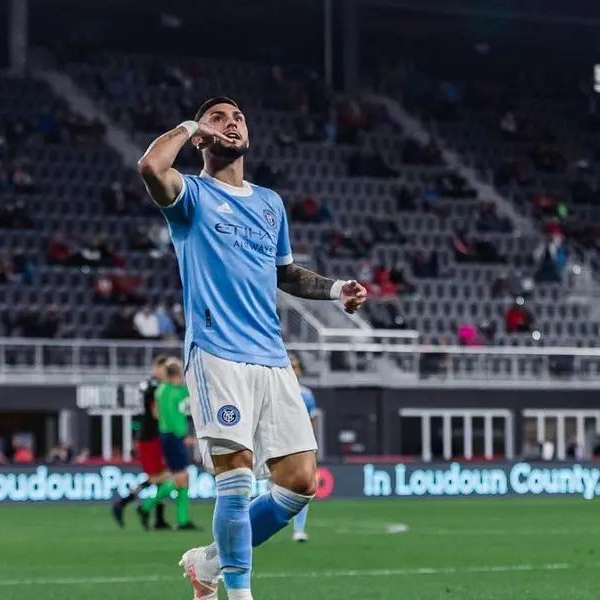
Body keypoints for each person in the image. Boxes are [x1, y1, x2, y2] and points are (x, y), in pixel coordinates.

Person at [137, 96, 367, 600]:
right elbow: (152, 165)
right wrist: (188, 125)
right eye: (219, 118)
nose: (232, 123)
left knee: (299, 481)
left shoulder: (269, 203)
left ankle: (211, 561)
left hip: (271, 355)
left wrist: (335, 291)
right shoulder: (191, 196)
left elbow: (285, 273)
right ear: (201, 136)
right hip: (217, 351)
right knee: (237, 477)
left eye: (239, 117)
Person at [112, 356, 173, 530]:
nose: (164, 371)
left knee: (160, 479)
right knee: (161, 477)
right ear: (156, 369)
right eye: (162, 367)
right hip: (150, 437)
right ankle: (124, 504)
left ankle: (158, 519)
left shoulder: (161, 387)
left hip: (156, 436)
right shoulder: (152, 386)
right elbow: (154, 411)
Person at [138, 359, 196, 530]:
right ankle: (146, 506)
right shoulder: (167, 392)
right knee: (180, 478)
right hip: (172, 436)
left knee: (183, 478)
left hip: (171, 436)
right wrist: (182, 435)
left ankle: (182, 520)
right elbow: (170, 416)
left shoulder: (170, 390)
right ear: (176, 376)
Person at [288, 356, 317, 543]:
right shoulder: (274, 391)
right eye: (290, 366)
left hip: (300, 444)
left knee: (303, 488)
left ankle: (299, 529)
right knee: (273, 487)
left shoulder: (306, 394)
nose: (293, 370)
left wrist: (311, 443)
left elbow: (312, 419)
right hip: (275, 444)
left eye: (296, 367)